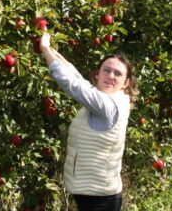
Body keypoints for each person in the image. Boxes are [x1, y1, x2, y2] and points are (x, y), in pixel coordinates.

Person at [39, 32, 138, 211]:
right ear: (97, 74)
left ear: (126, 82)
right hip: (94, 191)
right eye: (106, 70)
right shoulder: (109, 99)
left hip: (99, 198)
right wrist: (54, 51)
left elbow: (72, 85)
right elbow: (77, 78)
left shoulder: (108, 106)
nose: (111, 76)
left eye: (118, 73)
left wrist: (45, 49)